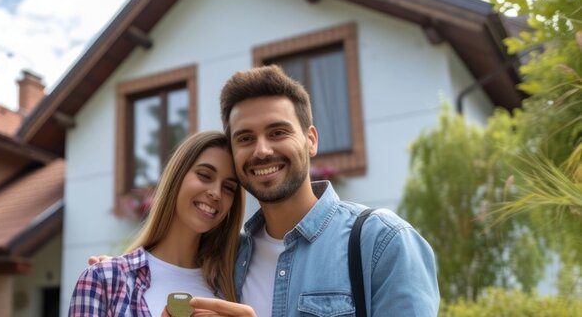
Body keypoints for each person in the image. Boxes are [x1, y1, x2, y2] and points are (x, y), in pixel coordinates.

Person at [184, 65, 438, 316]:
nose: (262, 150)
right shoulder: (227, 258)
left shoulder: (383, 241)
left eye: (277, 132)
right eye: (245, 138)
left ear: (311, 140)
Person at [69, 130, 246, 316]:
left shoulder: (234, 286)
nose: (216, 193)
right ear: (177, 177)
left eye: (228, 187)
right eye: (204, 175)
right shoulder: (104, 279)